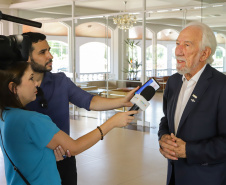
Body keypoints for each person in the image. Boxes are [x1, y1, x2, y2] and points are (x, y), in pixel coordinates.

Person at [22, 31, 138, 185]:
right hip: (33, 162)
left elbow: (89, 101)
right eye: (43, 52)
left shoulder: (61, 81)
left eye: (49, 50)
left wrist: (121, 101)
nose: (50, 56)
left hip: (64, 157)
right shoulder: (16, 91)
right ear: (27, 57)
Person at [0, 62, 138, 185]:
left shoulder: (6, 115)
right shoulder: (32, 120)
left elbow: (26, 153)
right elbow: (74, 147)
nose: (36, 83)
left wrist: (48, 155)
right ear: (13, 87)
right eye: (30, 78)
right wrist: (112, 122)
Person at [158, 21, 226, 185]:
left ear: (205, 53)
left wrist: (189, 150)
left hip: (207, 178)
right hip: (174, 176)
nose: (177, 51)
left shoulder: (222, 86)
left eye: (186, 45)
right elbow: (166, 119)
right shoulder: (173, 82)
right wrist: (163, 137)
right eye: (177, 44)